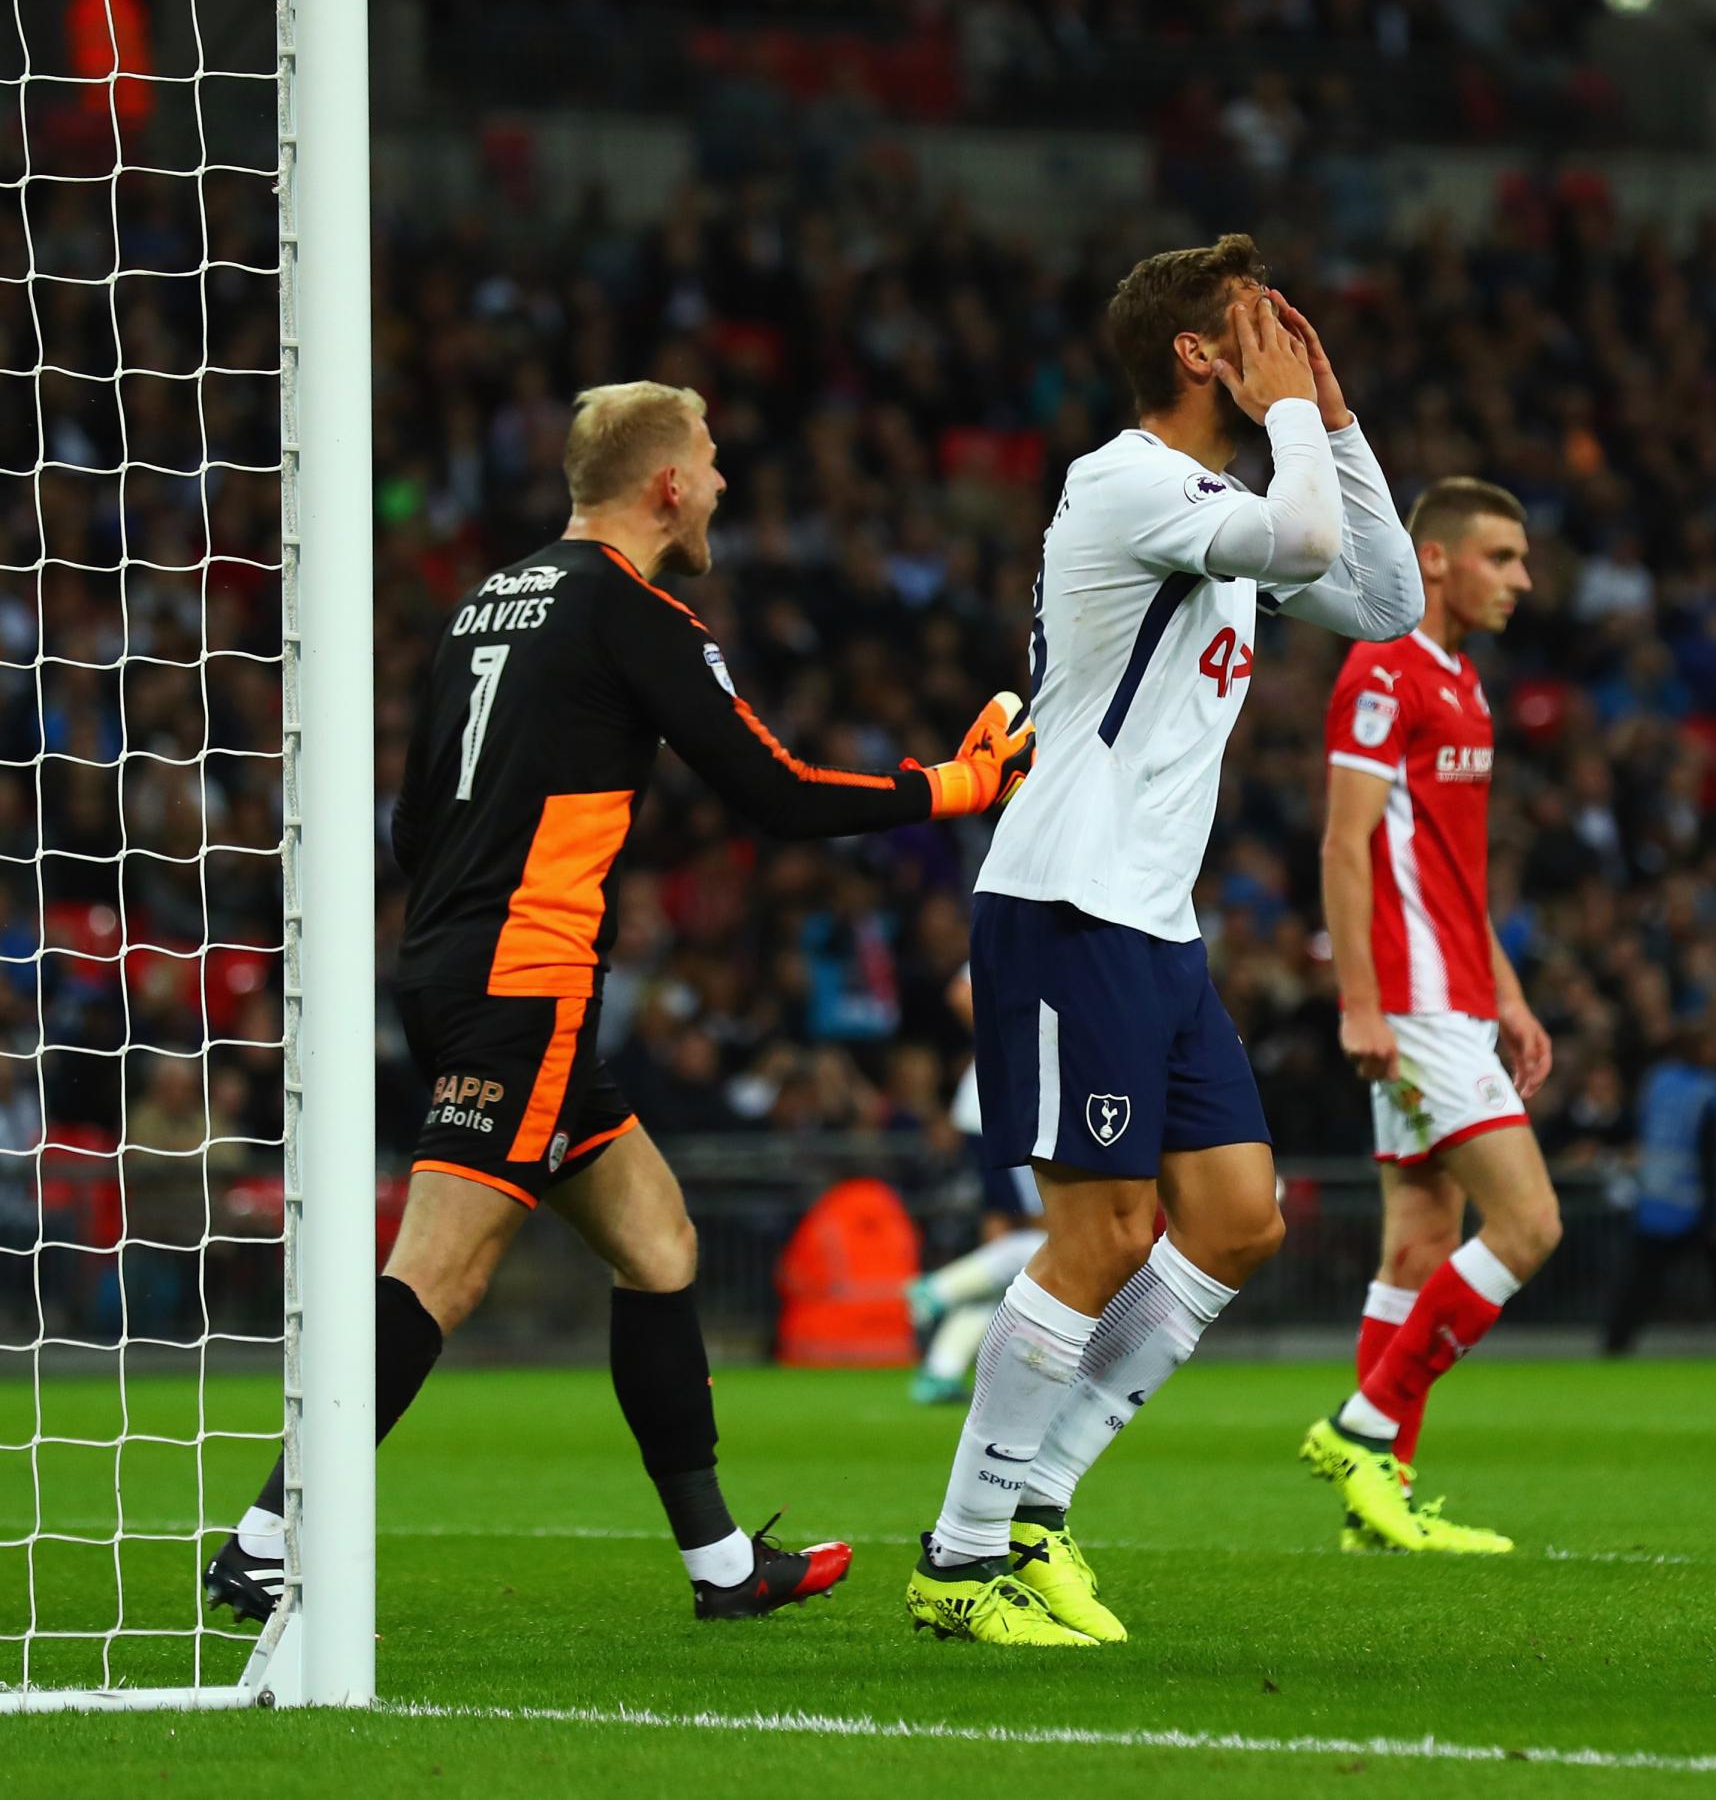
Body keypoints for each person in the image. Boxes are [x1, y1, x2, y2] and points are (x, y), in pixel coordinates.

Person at [202, 381, 1031, 1625]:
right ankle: (268, 1538)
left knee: (658, 1240)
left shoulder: (490, 601)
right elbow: (781, 790)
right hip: (522, 983)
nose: (722, 484)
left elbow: (412, 819)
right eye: (708, 459)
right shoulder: (635, 611)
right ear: (663, 487)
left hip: (453, 963)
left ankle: (721, 1566)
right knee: (440, 1269)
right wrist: (957, 785)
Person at [904, 236, 1421, 1645]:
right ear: (1200, 356)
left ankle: (1038, 1505)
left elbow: (1387, 602)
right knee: (1105, 1232)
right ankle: (960, 1561)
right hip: (1067, 901)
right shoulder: (1125, 481)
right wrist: (1302, 423)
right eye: (1260, 326)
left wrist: (1340, 411)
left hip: (1150, 923)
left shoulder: (1221, 499)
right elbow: (1310, 541)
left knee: (1242, 1219)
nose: (1282, 348)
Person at [1306, 476, 1555, 1554]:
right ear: (1437, 559)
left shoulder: (1464, 684)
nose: (1522, 581)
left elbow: (1451, 869)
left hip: (1456, 992)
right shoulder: (1382, 671)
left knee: (1416, 1243)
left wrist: (1506, 990)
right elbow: (1342, 843)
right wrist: (1361, 1001)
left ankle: (1379, 1504)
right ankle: (1363, 1430)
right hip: (1408, 1004)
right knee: (1531, 1225)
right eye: (1502, 558)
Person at [907, 966, 1045, 1406]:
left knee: (1022, 1254)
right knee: (1048, 1239)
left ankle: (943, 1368)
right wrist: (1017, 1044)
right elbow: (961, 991)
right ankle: (940, 1288)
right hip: (1011, 1110)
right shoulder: (1033, 923)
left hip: (1010, 1107)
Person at [1606, 1028, 1716, 1357]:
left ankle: (1615, 1342)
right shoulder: (1712, 1091)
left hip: (1657, 1199)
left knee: (1643, 1280)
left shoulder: (1657, 1082)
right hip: (1698, 1199)